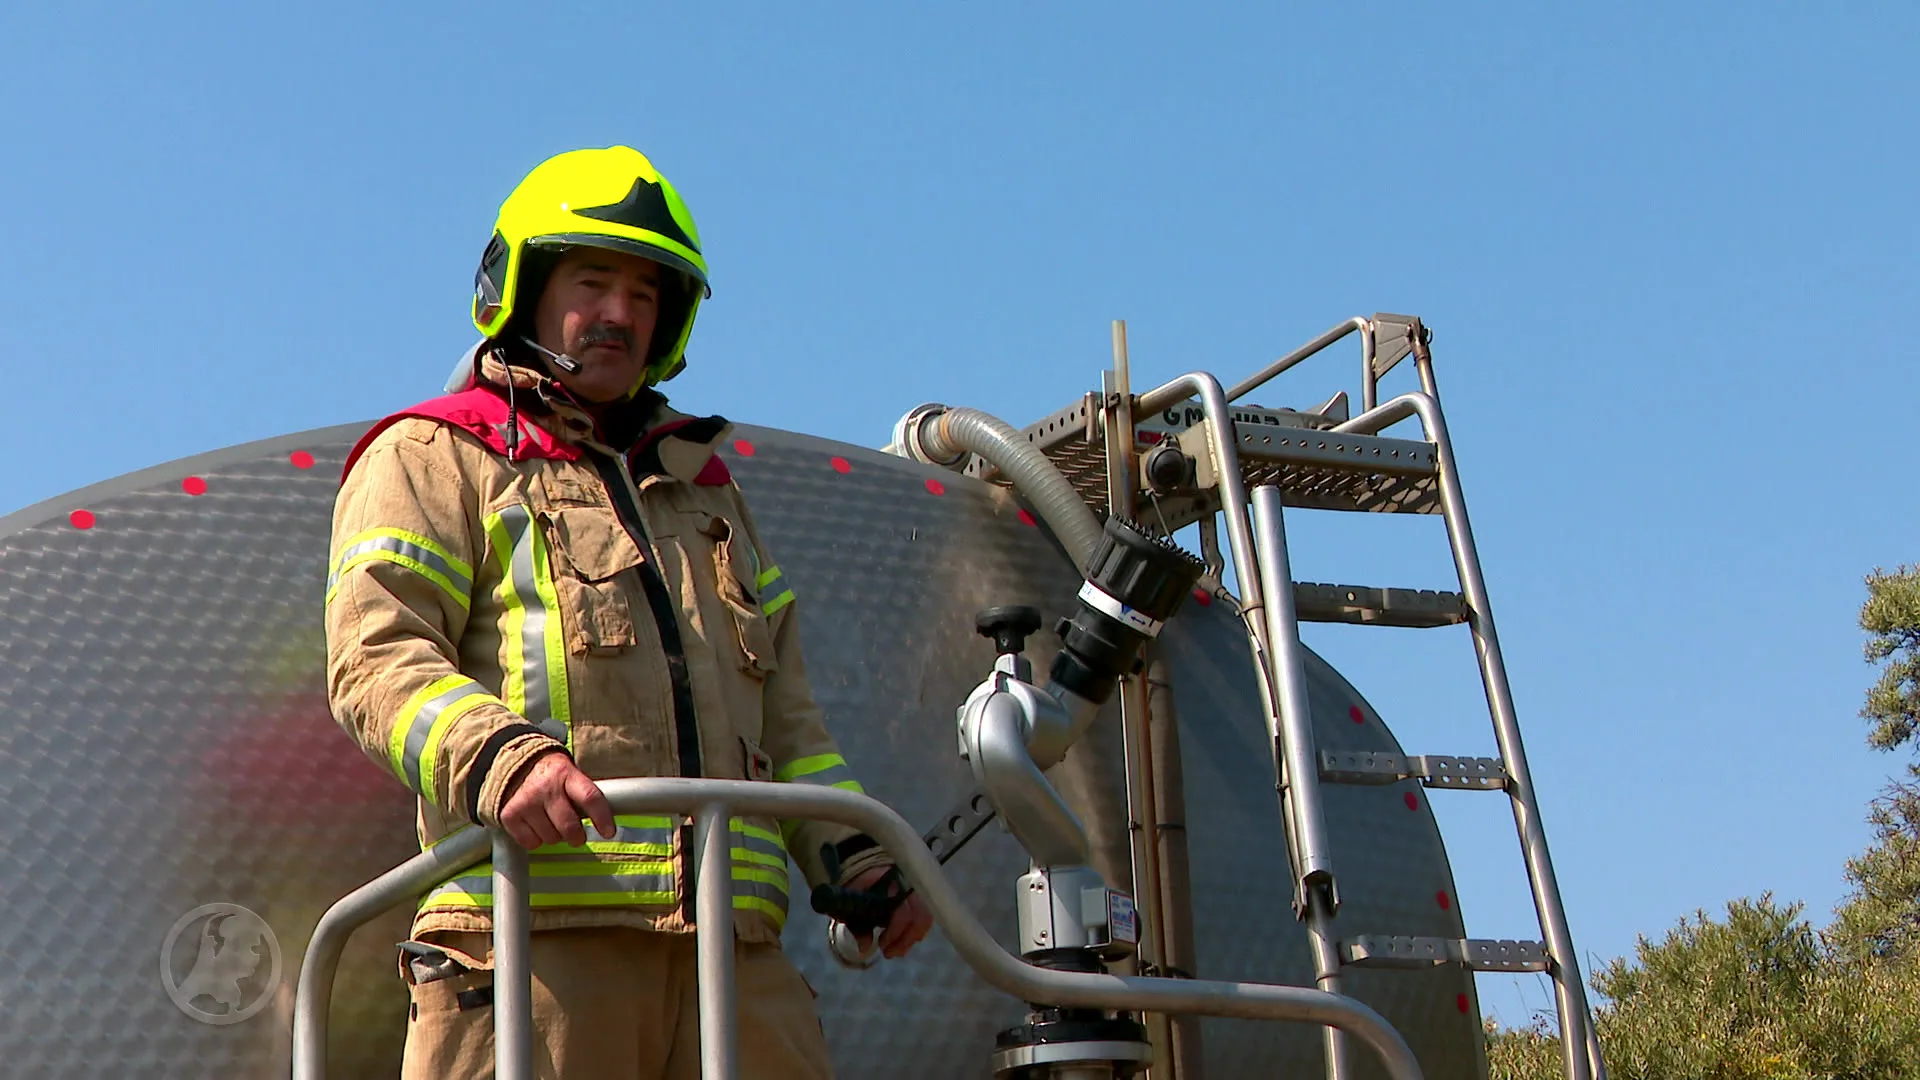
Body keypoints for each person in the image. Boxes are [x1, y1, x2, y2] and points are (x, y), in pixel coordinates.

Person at [324, 145, 931, 1079]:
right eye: (593, 280)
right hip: (530, 949)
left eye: (646, 295)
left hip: (737, 970)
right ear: (521, 290)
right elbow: (375, 658)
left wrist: (857, 856)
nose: (618, 313)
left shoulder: (710, 495)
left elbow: (791, 726)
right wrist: (497, 755)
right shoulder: (434, 456)